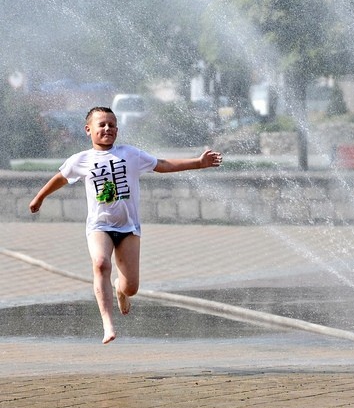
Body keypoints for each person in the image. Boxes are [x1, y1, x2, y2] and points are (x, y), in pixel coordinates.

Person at [29, 106, 223, 344]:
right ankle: (107, 324)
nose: (107, 128)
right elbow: (60, 177)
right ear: (88, 130)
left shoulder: (130, 154)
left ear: (117, 130)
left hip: (128, 228)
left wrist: (198, 163)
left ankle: (120, 290)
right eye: (101, 125)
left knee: (131, 287)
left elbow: (162, 165)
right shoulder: (81, 160)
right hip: (99, 227)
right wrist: (40, 197)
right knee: (100, 264)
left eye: (111, 125)